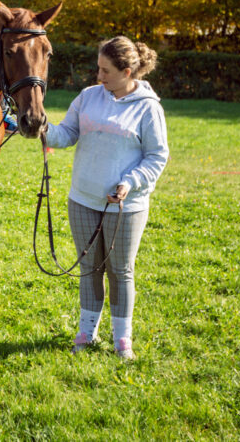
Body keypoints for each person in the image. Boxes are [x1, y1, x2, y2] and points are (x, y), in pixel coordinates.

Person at [43, 36, 169, 360]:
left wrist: (130, 182)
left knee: (121, 271)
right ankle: (87, 332)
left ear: (127, 72)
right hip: (82, 200)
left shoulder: (148, 107)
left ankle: (122, 339)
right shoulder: (88, 97)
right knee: (89, 269)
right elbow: (67, 134)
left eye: (106, 71)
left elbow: (157, 156)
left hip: (126, 207)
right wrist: (41, 126)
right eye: (98, 68)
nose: (98, 77)